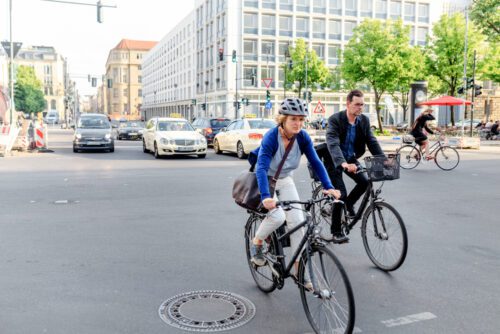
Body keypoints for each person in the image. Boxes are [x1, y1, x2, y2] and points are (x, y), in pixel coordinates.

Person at [250, 98, 341, 283]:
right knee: (277, 216)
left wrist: (329, 186)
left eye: (301, 119)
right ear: (283, 119)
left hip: (285, 179)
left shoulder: (303, 137)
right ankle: (257, 242)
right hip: (267, 179)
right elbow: (260, 167)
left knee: (298, 222)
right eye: (294, 119)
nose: (298, 123)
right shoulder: (271, 137)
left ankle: (297, 268)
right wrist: (266, 197)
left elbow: (315, 162)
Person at [326, 89, 384, 243]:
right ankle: (336, 232)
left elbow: (371, 141)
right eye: (357, 104)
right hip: (334, 160)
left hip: (351, 158)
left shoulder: (363, 121)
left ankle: (348, 205)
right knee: (340, 194)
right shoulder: (335, 120)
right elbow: (333, 143)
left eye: (362, 105)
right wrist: (342, 163)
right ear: (348, 104)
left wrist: (383, 159)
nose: (360, 108)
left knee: (364, 182)